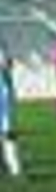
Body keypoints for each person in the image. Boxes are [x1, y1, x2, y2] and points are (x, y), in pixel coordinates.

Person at [0, 37, 19, 177]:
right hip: (5, 93)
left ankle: (13, 166)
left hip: (4, 94)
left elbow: (8, 67)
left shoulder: (3, 47)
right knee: (7, 132)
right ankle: (10, 165)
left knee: (8, 132)